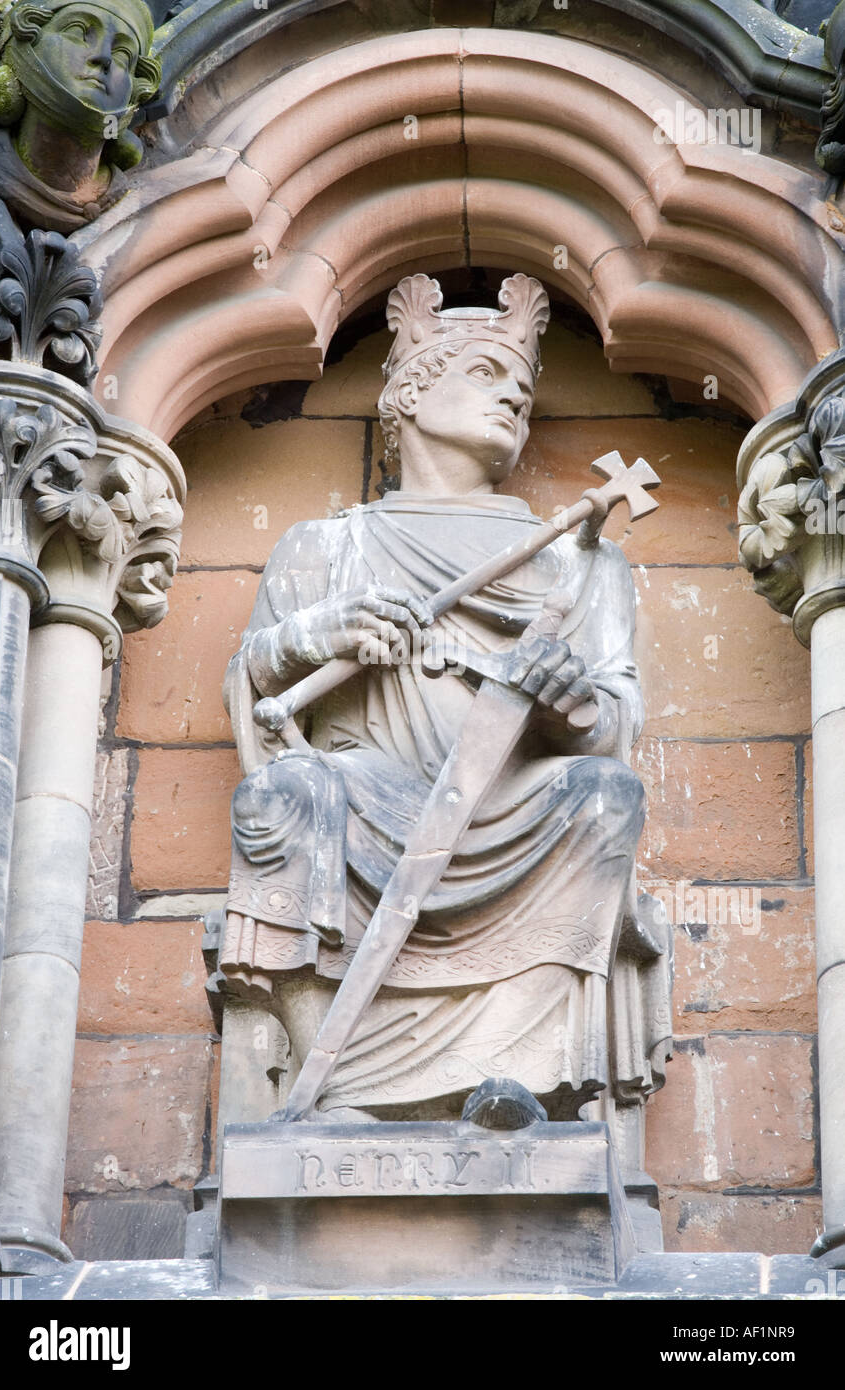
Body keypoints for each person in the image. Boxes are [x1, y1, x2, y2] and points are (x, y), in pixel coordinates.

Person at [221, 272, 664, 1124]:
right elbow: (257, 680)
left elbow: (613, 720)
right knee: (284, 795)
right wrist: (326, 634)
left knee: (604, 796)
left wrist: (565, 705)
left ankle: (513, 1081)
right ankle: (333, 1081)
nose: (513, 401)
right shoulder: (327, 546)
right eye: (487, 377)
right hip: (365, 793)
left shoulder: (580, 561)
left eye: (523, 389)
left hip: (508, 803)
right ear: (413, 394)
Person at [0, 0, 160, 232]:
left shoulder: (136, 216)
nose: (104, 57)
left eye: (123, 54)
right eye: (78, 32)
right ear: (27, 38)